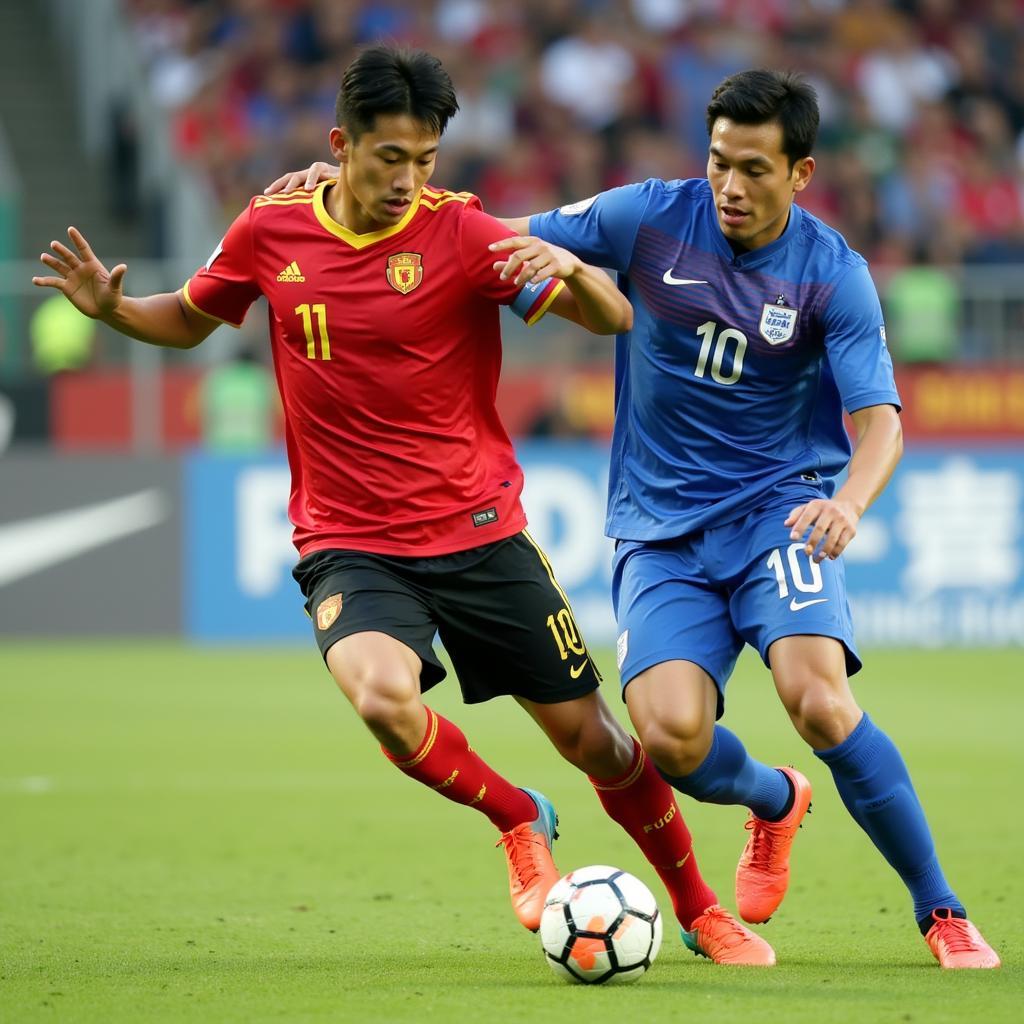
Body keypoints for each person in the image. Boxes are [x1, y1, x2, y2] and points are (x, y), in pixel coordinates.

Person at [33, 46, 774, 967]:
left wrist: (573, 271)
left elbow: (612, 319)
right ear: (342, 145)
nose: (409, 181)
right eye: (390, 159)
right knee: (383, 700)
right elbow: (189, 315)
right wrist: (114, 310)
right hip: (349, 541)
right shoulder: (271, 225)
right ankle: (517, 817)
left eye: (426, 160)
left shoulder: (462, 234)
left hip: (479, 533)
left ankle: (700, 907)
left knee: (598, 743)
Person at [266, 66, 1000, 969]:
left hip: (781, 515)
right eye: (720, 162)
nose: (730, 186)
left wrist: (848, 502)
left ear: (800, 174)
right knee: (668, 739)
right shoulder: (649, 215)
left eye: (755, 170)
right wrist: (329, 192)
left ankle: (943, 912)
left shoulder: (832, 274)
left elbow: (880, 422)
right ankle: (775, 801)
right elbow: (471, 239)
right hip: (659, 533)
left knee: (817, 698)